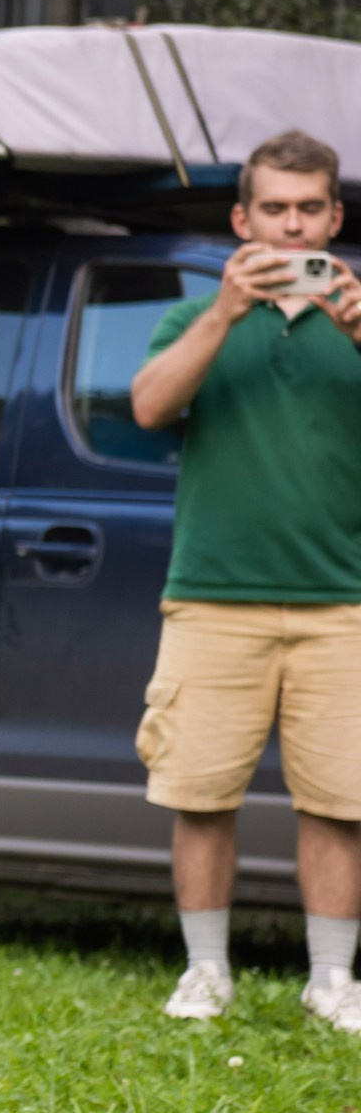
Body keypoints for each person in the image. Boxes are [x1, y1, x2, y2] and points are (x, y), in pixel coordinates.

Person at [130, 130, 361, 1027]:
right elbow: (150, 404)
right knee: (199, 792)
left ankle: (332, 981)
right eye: (275, 207)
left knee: (341, 801)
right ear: (242, 218)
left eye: (310, 208)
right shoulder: (195, 317)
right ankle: (206, 972)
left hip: (342, 600)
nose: (293, 225)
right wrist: (222, 313)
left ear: (335, 218)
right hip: (213, 597)